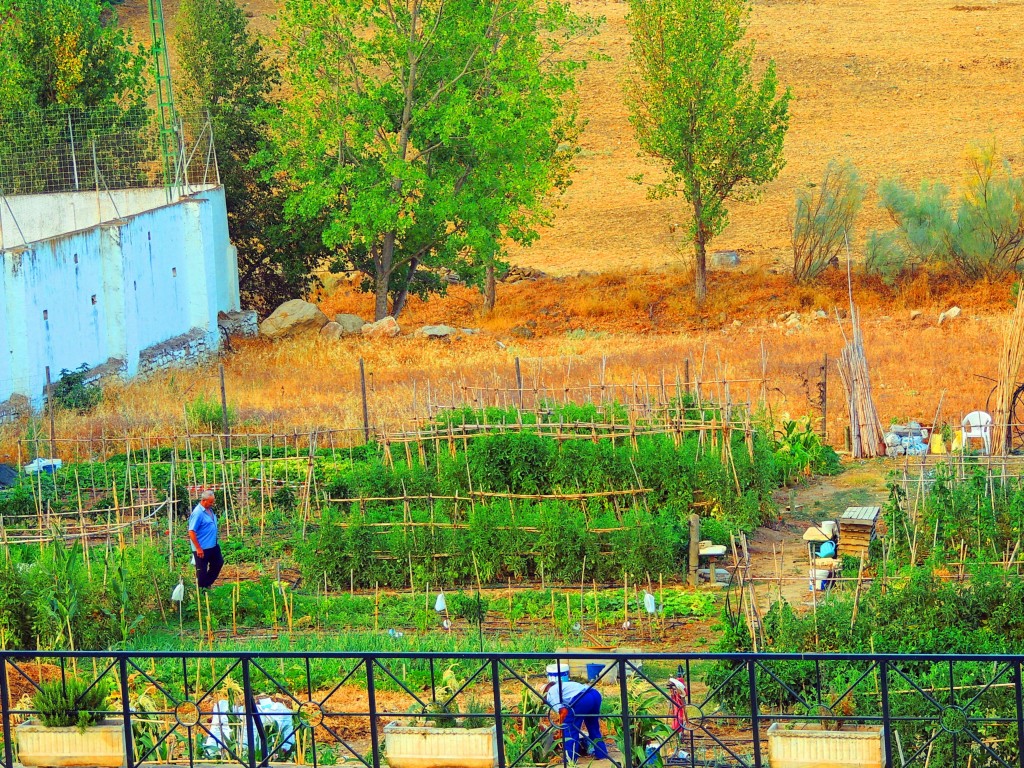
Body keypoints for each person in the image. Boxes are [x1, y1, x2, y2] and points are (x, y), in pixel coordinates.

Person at [543, 678, 610, 761]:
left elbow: (563, 712)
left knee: (569, 728)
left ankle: (570, 758)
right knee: (593, 727)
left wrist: (561, 731)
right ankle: (602, 754)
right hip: (594, 694)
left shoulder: (550, 692)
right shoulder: (563, 686)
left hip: (582, 699)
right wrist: (561, 729)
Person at [188, 490, 223, 589]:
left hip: (213, 545)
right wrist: (198, 548)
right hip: (202, 548)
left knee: (218, 562)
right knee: (201, 571)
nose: (212, 504)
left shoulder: (209, 510)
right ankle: (203, 591)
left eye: (213, 501)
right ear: (204, 500)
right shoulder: (198, 513)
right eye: (211, 502)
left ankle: (207, 583)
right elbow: (191, 531)